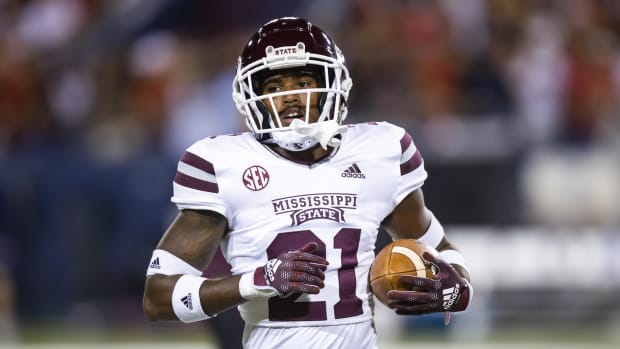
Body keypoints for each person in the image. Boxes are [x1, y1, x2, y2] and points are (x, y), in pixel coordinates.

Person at [142, 17, 473, 349]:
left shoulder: (380, 150)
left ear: (334, 84)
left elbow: (441, 250)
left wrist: (458, 289)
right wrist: (259, 281)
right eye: (273, 88)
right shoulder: (222, 163)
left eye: (301, 82)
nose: (289, 98)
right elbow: (158, 298)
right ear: (250, 96)